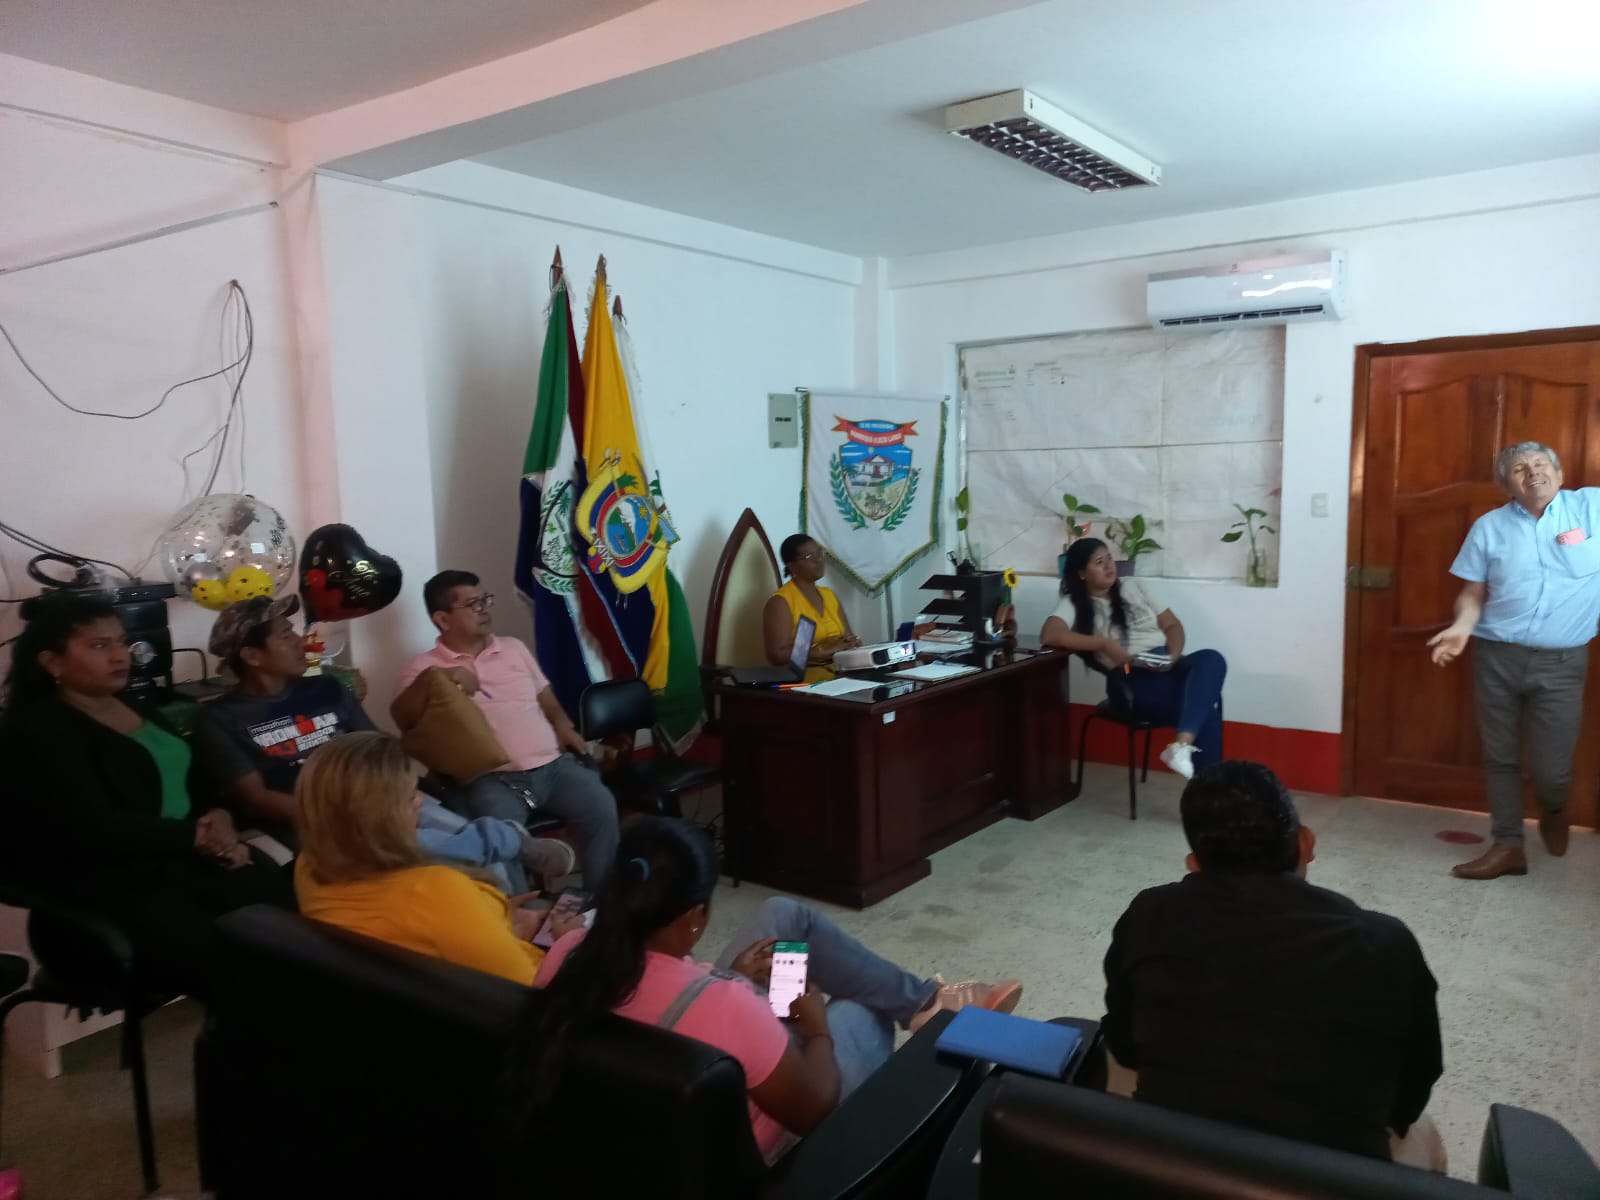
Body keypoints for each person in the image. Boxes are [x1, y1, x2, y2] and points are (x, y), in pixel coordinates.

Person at [520, 817, 1023, 1164]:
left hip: (661, 1091)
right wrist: (816, 1026)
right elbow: (814, 1108)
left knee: (782, 915)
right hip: (749, 1140)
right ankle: (926, 1012)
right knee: (860, 1009)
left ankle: (922, 1002)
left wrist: (732, 977)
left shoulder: (569, 953)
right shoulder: (727, 1005)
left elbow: (665, 993)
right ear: (695, 918)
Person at [1103, 760, 1443, 1166]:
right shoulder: (1386, 942)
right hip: (1333, 1177)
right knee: (1425, 1135)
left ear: (1194, 864)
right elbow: (1417, 1079)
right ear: (1306, 842)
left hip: (1169, 1165)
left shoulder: (1149, 913)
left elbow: (1123, 1043)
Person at [0, 591, 293, 1000]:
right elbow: (91, 826)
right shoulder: (39, 731)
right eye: (99, 646)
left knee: (287, 915)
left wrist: (220, 817)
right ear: (52, 662)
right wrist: (198, 836)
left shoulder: (136, 707)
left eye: (121, 642)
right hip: (105, 891)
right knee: (237, 960)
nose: (120, 655)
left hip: (180, 866)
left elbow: (197, 784)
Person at [192, 595, 571, 892]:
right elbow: (256, 798)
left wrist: (403, 784)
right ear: (252, 656)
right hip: (318, 820)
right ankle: (504, 839)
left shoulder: (325, 687)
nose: (299, 642)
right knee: (416, 850)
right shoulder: (221, 719)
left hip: (383, 797)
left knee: (469, 849)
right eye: (285, 636)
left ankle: (510, 915)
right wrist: (343, 814)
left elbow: (377, 744)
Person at [1427, 441, 1600, 880]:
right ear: (1507, 483)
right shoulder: (1489, 528)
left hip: (1563, 663)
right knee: (1499, 757)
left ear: (1560, 474)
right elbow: (1472, 593)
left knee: (1551, 771)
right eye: (1519, 468)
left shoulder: (1592, 508)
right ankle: (1508, 846)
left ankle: (1554, 808)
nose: (1532, 472)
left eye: (1541, 464)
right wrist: (1462, 627)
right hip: (1496, 657)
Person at [293, 731, 587, 984]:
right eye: (411, 796)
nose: (420, 802)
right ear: (381, 818)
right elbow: (532, 988)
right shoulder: (435, 891)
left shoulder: (308, 867)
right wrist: (567, 942)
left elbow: (419, 932)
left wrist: (495, 918)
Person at [396, 570, 618, 889]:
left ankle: (601, 902)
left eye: (486, 600)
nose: (485, 609)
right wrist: (443, 677)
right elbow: (403, 716)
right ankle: (522, 910)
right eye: (473, 604)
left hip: (553, 767)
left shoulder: (513, 648)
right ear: (443, 619)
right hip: (493, 781)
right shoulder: (422, 669)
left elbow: (546, 698)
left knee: (601, 806)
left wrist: (563, 725)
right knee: (499, 836)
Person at [1042, 537, 1227, 779]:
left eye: (1109, 558)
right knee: (1207, 713)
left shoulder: (1133, 585)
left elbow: (1172, 625)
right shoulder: (1074, 603)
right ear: (1082, 573)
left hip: (1164, 664)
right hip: (1129, 677)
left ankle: (1182, 747)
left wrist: (1172, 656)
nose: (1109, 565)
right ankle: (1201, 779)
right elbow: (1050, 634)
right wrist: (1103, 644)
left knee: (1212, 658)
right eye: (1099, 562)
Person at [763, 534, 860, 683]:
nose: (819, 560)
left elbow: (848, 638)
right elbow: (776, 655)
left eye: (819, 553)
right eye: (810, 557)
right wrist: (821, 651)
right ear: (791, 565)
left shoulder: (829, 595)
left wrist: (852, 643)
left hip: (840, 676)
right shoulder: (781, 602)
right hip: (803, 683)